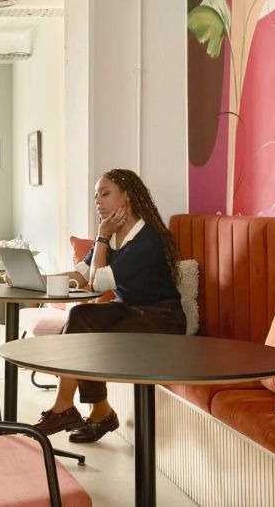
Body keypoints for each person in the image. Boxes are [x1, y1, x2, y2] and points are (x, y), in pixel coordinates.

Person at [31, 168, 185, 443]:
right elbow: (81, 274)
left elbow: (97, 283)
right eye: (95, 196)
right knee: (81, 316)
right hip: (132, 309)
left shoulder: (147, 239)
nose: (98, 201)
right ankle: (88, 409)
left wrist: (101, 237)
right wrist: (39, 279)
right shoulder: (111, 234)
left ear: (127, 196)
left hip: (163, 320)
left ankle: (78, 410)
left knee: (94, 335)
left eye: (105, 193)